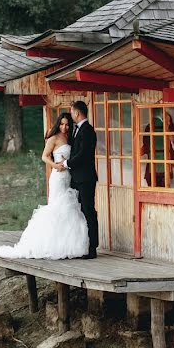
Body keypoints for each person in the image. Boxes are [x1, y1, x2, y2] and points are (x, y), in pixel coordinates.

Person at [0, 113, 89, 260]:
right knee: (57, 207)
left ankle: (67, 244)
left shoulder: (70, 138)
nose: (65, 127)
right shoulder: (54, 138)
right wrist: (56, 165)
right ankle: (50, 244)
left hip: (69, 176)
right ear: (58, 124)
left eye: (67, 124)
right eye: (62, 124)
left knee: (69, 207)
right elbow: (44, 156)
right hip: (58, 176)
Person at [63, 100, 99, 258]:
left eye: (72, 112)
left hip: (85, 178)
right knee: (79, 211)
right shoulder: (78, 130)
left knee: (88, 211)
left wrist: (66, 163)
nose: (71, 115)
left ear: (77, 113)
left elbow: (83, 155)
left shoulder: (88, 131)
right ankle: (81, 244)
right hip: (77, 178)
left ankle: (92, 247)